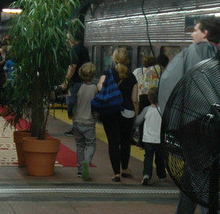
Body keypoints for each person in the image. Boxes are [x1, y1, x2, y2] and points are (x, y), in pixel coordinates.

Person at [159, 16, 220, 214]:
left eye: (195, 30)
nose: (192, 34)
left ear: (205, 33)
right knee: (192, 172)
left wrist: (177, 120)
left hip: (197, 126)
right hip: (219, 126)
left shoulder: (199, 52)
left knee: (200, 177)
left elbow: (183, 84)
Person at [97, 47, 137, 182]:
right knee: (125, 142)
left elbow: (100, 88)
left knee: (113, 142)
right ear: (127, 60)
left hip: (111, 112)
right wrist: (135, 115)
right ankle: (125, 168)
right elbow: (134, 100)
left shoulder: (107, 73)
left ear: (114, 59)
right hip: (128, 113)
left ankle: (116, 174)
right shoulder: (132, 77)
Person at [70, 61, 98, 181]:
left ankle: (80, 170)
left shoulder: (77, 86)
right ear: (93, 74)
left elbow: (72, 101)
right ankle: (87, 161)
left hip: (77, 120)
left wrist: (70, 113)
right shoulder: (95, 88)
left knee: (80, 145)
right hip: (89, 121)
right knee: (91, 144)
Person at [62, 21, 91, 135]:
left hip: (76, 82)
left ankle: (76, 128)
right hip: (83, 81)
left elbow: (72, 66)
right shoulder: (83, 48)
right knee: (80, 105)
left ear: (72, 39)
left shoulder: (75, 49)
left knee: (72, 104)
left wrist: (66, 80)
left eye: (68, 39)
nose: (67, 41)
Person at [135, 88, 165, 186]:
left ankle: (146, 175)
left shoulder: (146, 109)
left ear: (149, 98)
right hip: (159, 139)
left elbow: (137, 121)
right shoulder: (163, 110)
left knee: (148, 157)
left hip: (148, 139)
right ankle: (162, 176)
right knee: (160, 158)